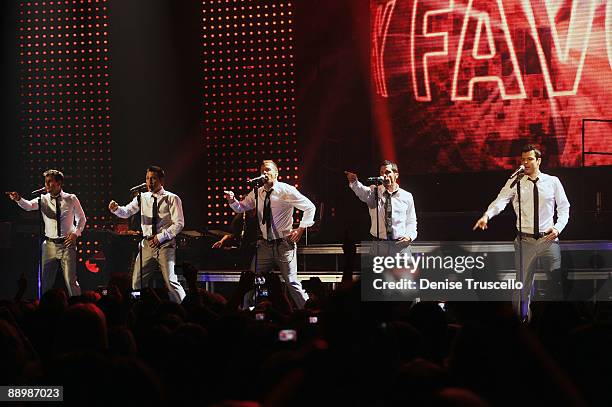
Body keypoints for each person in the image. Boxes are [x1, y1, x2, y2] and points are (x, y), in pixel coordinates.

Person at [473, 145, 570, 318]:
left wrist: (558, 228)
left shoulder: (552, 181)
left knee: (556, 283)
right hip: (525, 241)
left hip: (548, 239)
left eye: (530, 159)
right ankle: (521, 322)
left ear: (538, 161)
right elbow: (501, 200)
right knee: (522, 285)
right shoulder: (516, 181)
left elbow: (564, 207)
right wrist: (487, 216)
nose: (525, 162)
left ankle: (556, 322)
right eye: (523, 159)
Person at [224, 160, 315, 309]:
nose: (264, 173)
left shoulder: (286, 190)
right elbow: (241, 207)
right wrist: (232, 200)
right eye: (262, 171)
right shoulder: (257, 192)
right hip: (265, 245)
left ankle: (309, 311)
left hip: (284, 244)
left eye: (267, 170)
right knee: (250, 279)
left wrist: (301, 228)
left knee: (291, 282)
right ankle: (246, 312)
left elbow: (310, 207)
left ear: (276, 173)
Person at [108, 165, 186, 303]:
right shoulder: (141, 197)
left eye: (154, 178)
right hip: (147, 245)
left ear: (161, 180)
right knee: (136, 281)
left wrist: (161, 237)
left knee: (170, 281)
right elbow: (126, 212)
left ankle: (185, 307)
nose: (150, 182)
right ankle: (138, 307)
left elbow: (179, 224)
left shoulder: (172, 198)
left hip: (165, 245)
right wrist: (116, 209)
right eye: (148, 178)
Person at [7, 169, 86, 296]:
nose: (47, 185)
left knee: (71, 281)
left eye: (50, 182)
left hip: (67, 244)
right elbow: (28, 206)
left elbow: (81, 218)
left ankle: (78, 307)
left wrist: (75, 233)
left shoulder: (71, 198)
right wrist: (18, 199)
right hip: (49, 245)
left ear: (59, 183)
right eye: (46, 182)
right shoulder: (42, 199)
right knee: (45, 281)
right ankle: (44, 308)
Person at [345, 160, 417, 242]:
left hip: (400, 245)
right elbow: (362, 191)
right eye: (382, 173)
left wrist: (409, 236)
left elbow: (411, 220)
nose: (384, 175)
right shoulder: (374, 191)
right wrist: (354, 182)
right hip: (378, 244)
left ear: (396, 175)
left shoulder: (406, 196)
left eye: (387, 172)